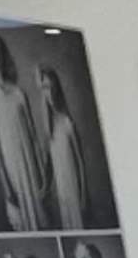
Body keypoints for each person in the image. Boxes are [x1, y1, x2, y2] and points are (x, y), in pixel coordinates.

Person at [0, 31, 45, 231]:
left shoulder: (18, 93)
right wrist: (6, 187)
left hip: (29, 164)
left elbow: (33, 138)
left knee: (39, 216)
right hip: (11, 166)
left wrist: (41, 174)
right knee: (21, 219)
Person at [40, 59, 102, 231]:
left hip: (74, 187)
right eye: (45, 87)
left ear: (57, 89)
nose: (49, 92)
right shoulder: (48, 128)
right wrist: (44, 188)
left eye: (51, 87)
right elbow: (49, 165)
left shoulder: (67, 122)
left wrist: (83, 195)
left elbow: (80, 163)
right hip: (61, 191)